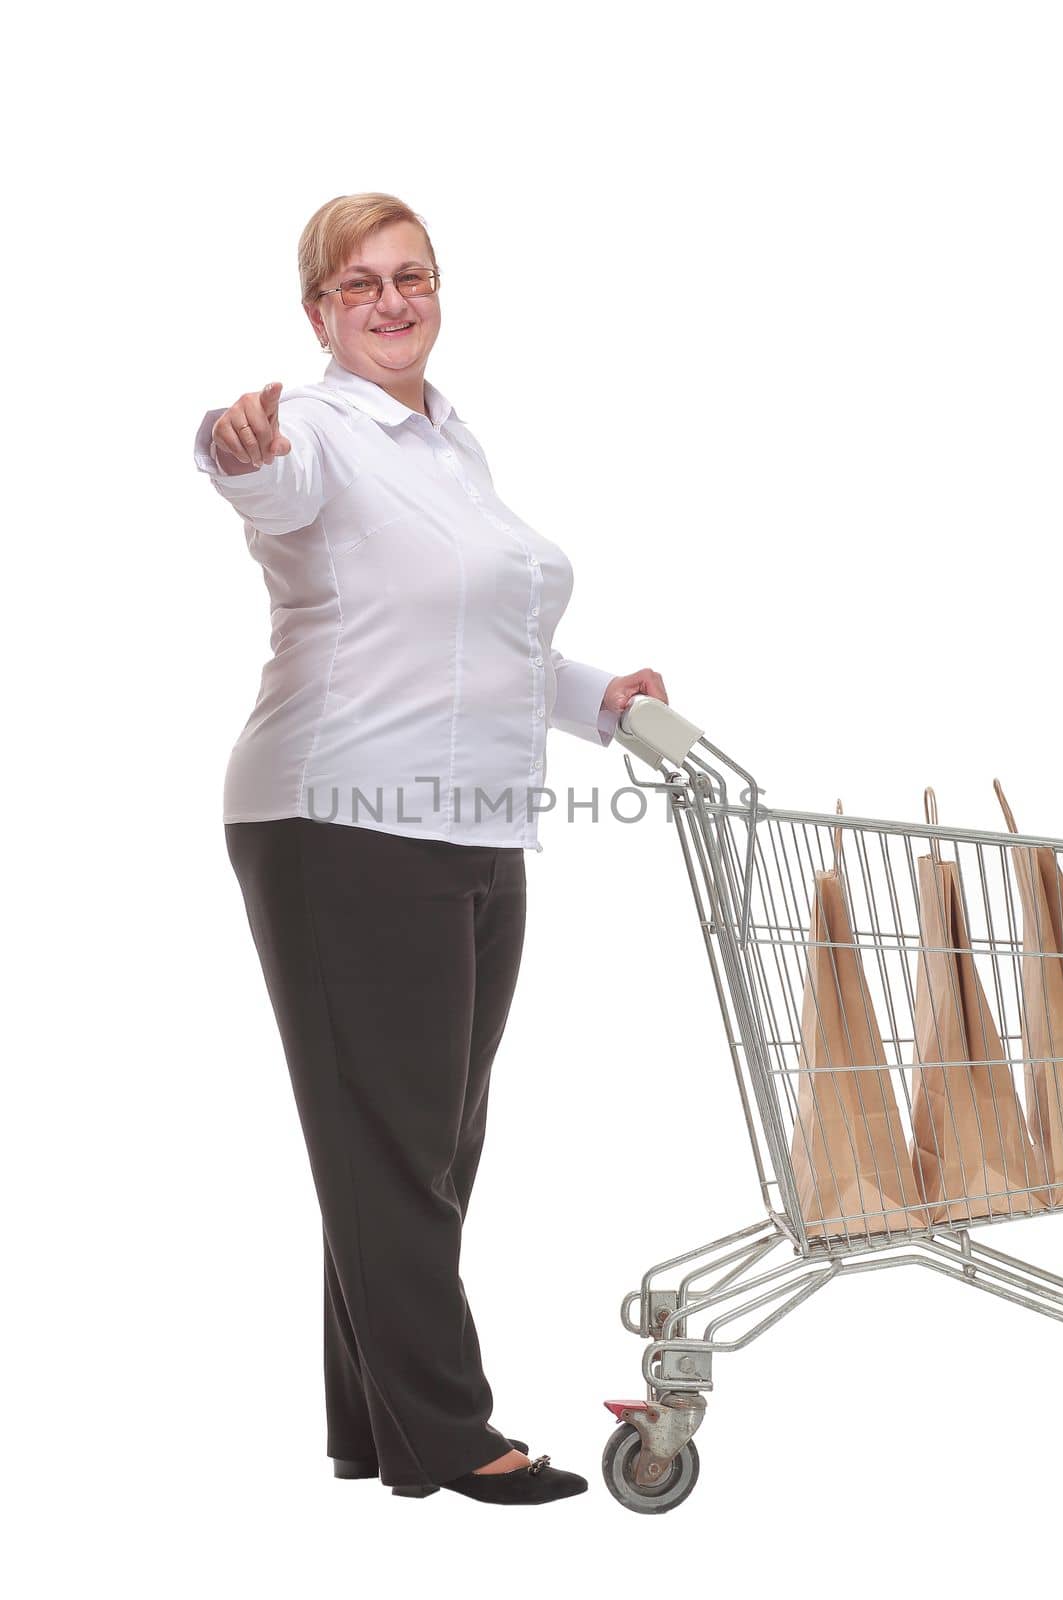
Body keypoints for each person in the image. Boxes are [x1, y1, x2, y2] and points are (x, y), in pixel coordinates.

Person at [192, 191, 668, 1505]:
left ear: (437, 289)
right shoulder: (313, 427)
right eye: (360, 286)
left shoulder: (447, 444)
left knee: (420, 1146)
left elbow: (493, 640)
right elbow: (259, 478)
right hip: (339, 819)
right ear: (319, 314)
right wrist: (231, 442)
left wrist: (605, 702)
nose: (392, 302)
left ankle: (373, 1426)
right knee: (394, 1147)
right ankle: (451, 1439)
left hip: (475, 823)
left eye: (412, 276)